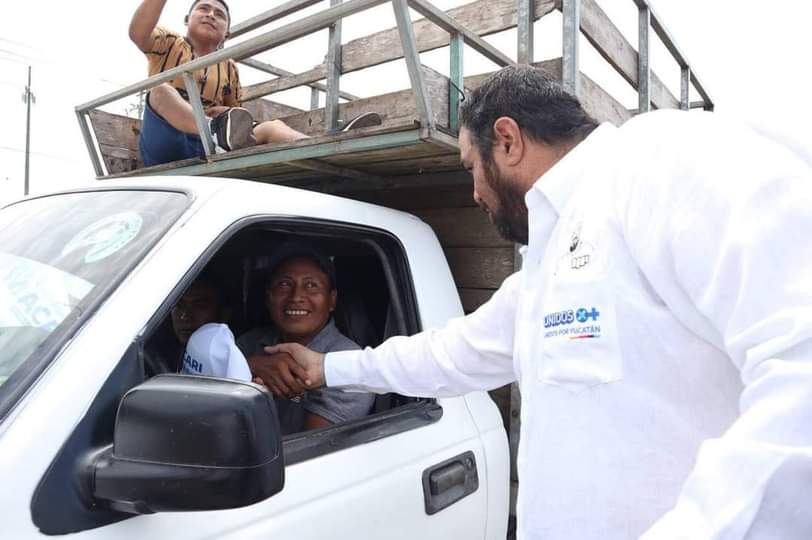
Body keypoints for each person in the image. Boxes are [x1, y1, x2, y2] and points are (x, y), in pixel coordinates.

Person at [267, 65, 812, 539]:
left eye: (469, 168)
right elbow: (449, 356)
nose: (474, 191)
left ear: (507, 140)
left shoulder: (660, 162)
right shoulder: (548, 258)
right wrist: (327, 368)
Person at [129, 0, 380, 167]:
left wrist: (226, 113)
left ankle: (331, 146)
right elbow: (138, 34)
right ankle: (212, 127)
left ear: (227, 32)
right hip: (166, 140)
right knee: (160, 91)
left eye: (219, 14)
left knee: (272, 126)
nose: (210, 15)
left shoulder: (229, 67)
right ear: (187, 19)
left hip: (208, 146)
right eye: (203, 9)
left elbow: (237, 121)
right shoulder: (170, 43)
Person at [238, 242, 374, 434]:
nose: (296, 296)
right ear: (269, 297)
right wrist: (247, 366)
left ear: (332, 300)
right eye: (284, 284)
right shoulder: (247, 344)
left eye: (311, 285)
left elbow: (313, 450)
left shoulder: (348, 362)